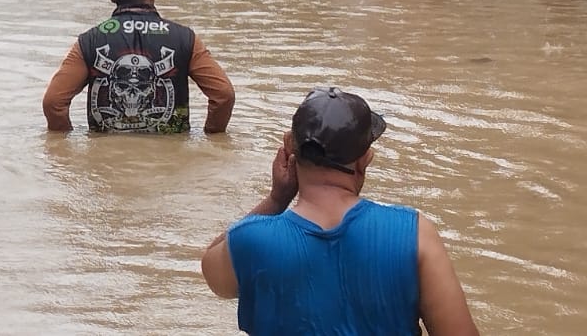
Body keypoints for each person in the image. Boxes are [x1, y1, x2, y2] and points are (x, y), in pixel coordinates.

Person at [200, 87, 478, 336]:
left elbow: (214, 276)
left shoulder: (249, 241)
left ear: (289, 149)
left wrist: (277, 198)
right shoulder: (415, 234)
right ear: (365, 158)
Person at [43, 0, 234, 134]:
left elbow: (53, 103)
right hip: (169, 162)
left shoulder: (90, 41)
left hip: (107, 163)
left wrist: (63, 143)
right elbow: (223, 95)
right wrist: (212, 137)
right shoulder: (185, 39)